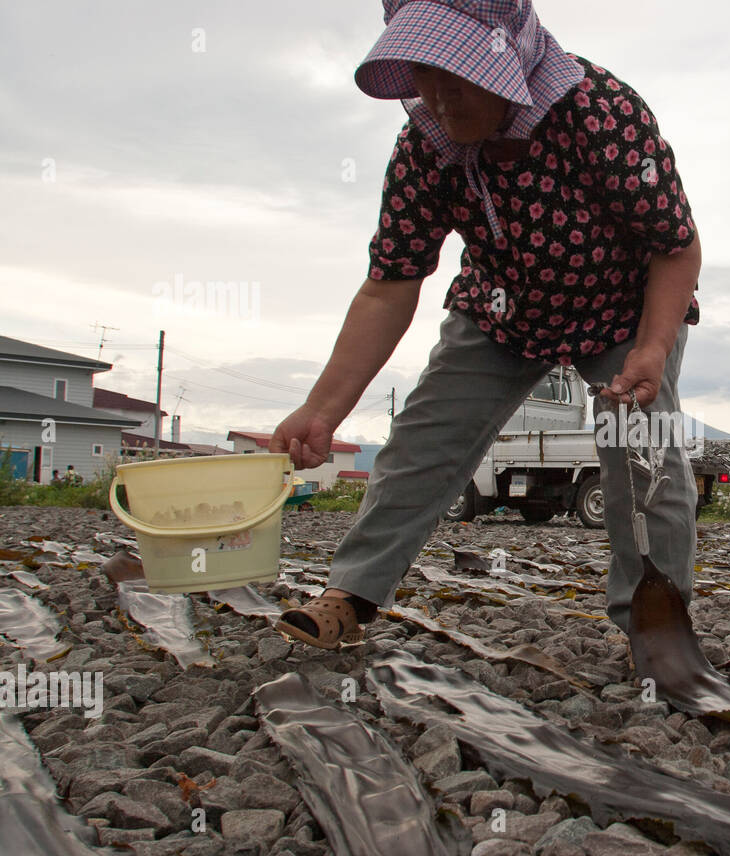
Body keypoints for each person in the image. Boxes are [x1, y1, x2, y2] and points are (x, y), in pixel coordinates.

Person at [271, 0, 702, 649]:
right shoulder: (426, 147)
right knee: (420, 444)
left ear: (511, 55)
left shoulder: (598, 113)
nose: (439, 98)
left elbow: (676, 245)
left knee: (643, 458)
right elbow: (389, 286)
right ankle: (351, 595)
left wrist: (653, 347)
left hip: (625, 310)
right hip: (504, 307)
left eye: (458, 71)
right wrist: (322, 409)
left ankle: (658, 628)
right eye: (424, 71)